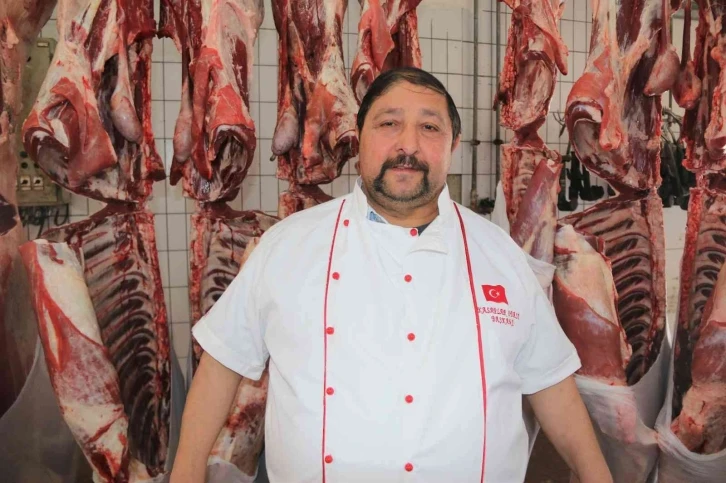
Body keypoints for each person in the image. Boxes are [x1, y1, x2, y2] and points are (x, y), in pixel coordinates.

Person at [170, 67, 612, 483]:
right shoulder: (287, 246)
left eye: (430, 127)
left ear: (453, 146)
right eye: (389, 124)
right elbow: (222, 365)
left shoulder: (500, 256)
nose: (408, 144)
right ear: (359, 137)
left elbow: (552, 384)